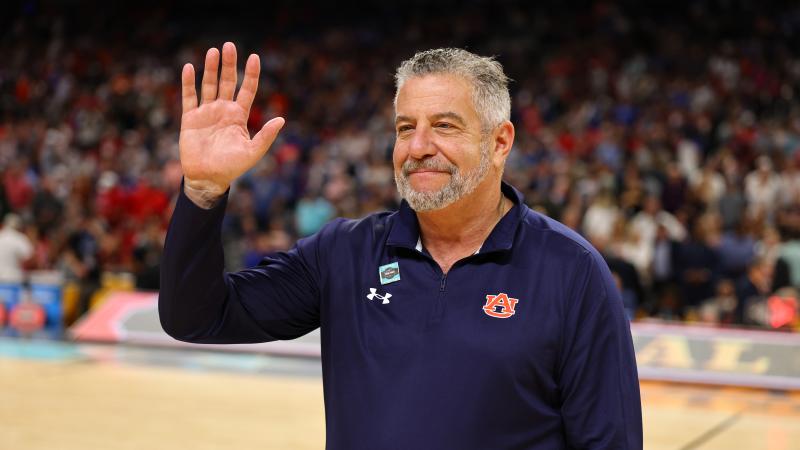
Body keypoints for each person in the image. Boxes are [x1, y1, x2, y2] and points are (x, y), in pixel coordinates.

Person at [159, 42, 643, 449]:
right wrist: (203, 191)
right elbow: (197, 317)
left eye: (445, 126)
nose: (418, 147)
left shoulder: (573, 272)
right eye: (406, 127)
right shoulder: (344, 254)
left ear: (500, 142)